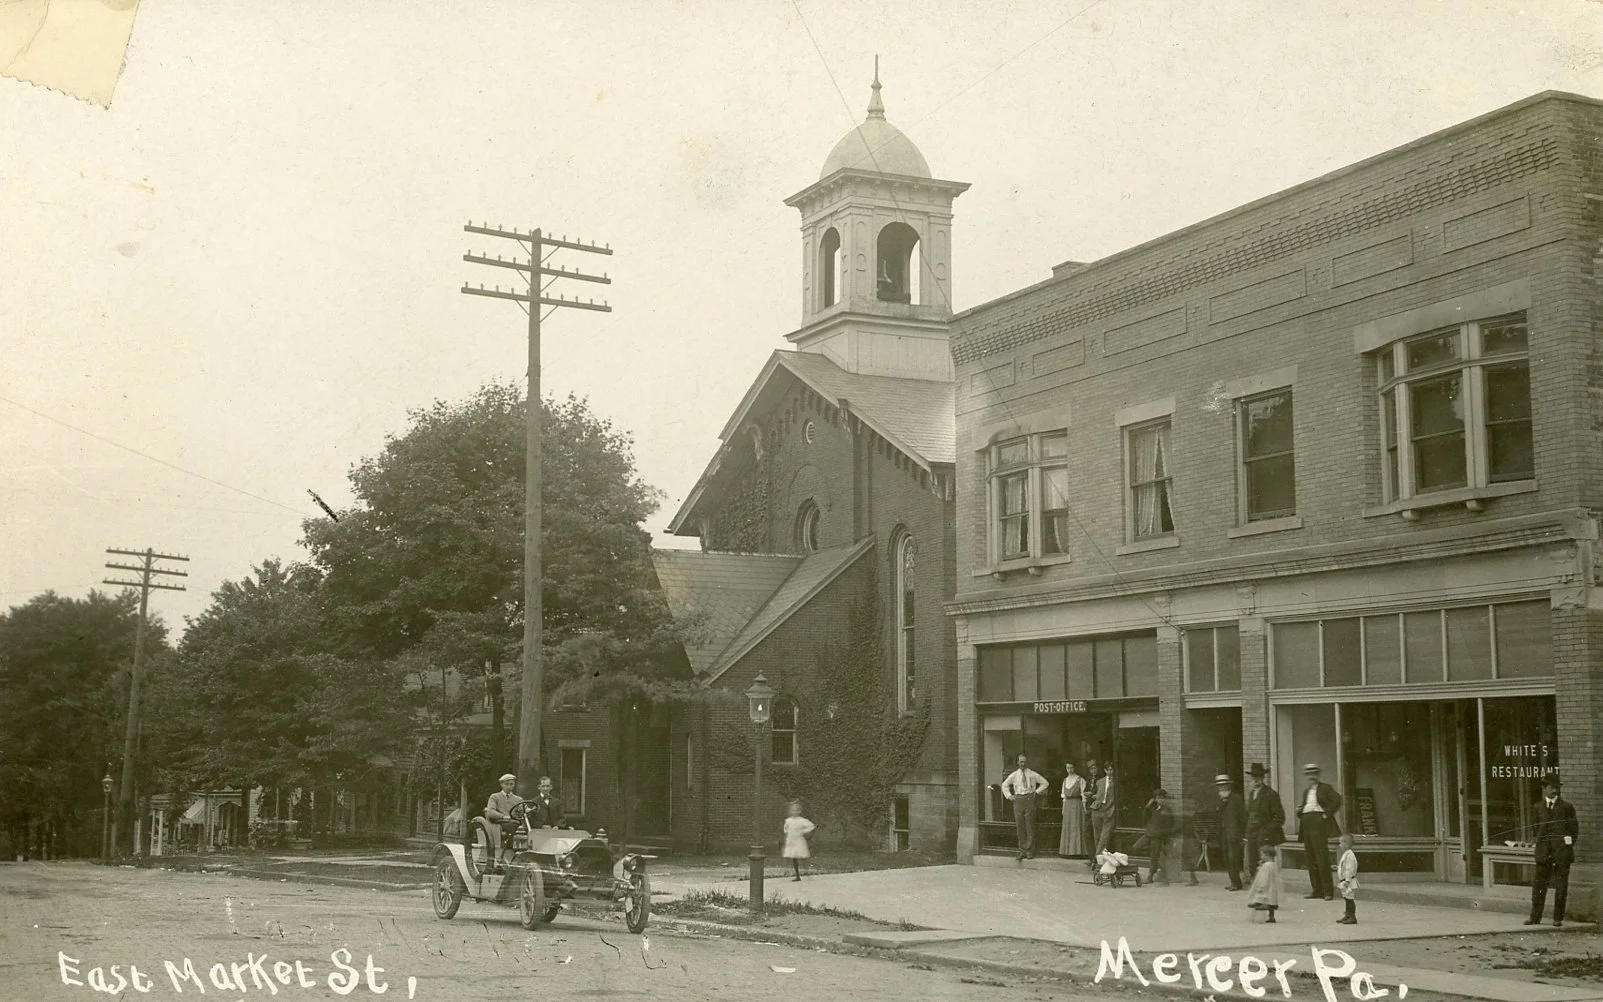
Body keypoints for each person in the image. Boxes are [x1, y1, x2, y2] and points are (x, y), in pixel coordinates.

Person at [1526, 773, 1578, 927]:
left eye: (1556, 788)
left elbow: (1573, 830)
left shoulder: (1567, 807)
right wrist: (1541, 846)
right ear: (1544, 788)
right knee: (1539, 886)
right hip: (1543, 853)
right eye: (1551, 787)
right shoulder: (1537, 807)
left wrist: (1565, 846)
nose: (1554, 790)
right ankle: (1535, 917)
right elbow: (1535, 829)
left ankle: (1557, 918)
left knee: (1561, 886)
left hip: (1561, 853)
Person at [1297, 763, 1343, 900]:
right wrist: (1300, 810)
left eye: (1314, 774)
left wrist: (1326, 814)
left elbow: (1337, 800)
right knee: (1311, 859)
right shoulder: (1306, 792)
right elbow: (1306, 808)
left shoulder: (1325, 788)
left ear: (1318, 775)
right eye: (1309, 774)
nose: (1311, 777)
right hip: (1306, 823)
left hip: (1318, 822)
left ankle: (1328, 891)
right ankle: (1316, 890)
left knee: (1321, 857)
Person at [1001, 754, 1049, 861]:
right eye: (1021, 762)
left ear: (1027, 762)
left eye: (1024, 762)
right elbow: (1004, 785)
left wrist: (1036, 792)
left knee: (1029, 825)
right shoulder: (1014, 775)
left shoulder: (1031, 774)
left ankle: (1030, 851)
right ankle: (1022, 851)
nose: (1023, 764)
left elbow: (1045, 783)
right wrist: (1009, 796)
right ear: (1017, 763)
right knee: (1020, 826)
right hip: (1018, 800)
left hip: (1029, 799)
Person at [1244, 763, 1284, 873]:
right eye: (1254, 777)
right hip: (1252, 834)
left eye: (1259, 777)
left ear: (1263, 778)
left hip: (1265, 835)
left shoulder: (1271, 794)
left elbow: (1280, 817)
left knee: (1265, 864)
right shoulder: (1252, 794)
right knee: (1253, 863)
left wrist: (1266, 830)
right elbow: (1249, 814)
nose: (1256, 780)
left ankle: (1267, 887)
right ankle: (1256, 886)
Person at [1216, 773, 1247, 891]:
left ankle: (1236, 882)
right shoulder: (1220, 800)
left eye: (1224, 785)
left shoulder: (1236, 798)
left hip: (1234, 834)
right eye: (1219, 786)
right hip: (1224, 834)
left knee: (1233, 858)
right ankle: (1232, 881)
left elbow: (1243, 817)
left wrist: (1242, 834)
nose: (1221, 788)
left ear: (1229, 786)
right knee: (1227, 859)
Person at [483, 773, 523, 864]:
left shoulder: (518, 799)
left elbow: (522, 810)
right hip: (499, 823)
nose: (509, 786)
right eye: (507, 784)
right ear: (502, 785)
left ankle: (519, 853)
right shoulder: (495, 797)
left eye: (511, 784)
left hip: (514, 824)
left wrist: (527, 810)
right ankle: (505, 854)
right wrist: (504, 816)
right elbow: (490, 812)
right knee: (513, 826)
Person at [1141, 788, 1176, 884]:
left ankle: (1150, 876)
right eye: (1158, 798)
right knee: (1137, 846)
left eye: (1162, 798)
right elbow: (1144, 818)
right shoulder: (1153, 808)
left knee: (1154, 856)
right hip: (1149, 834)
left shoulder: (1167, 810)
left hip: (1158, 836)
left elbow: (1170, 824)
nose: (1160, 800)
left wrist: (1163, 835)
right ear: (1155, 799)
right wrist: (1147, 806)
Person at [781, 800, 816, 881]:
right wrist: (787, 832)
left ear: (799, 811)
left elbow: (811, 826)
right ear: (790, 811)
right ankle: (797, 875)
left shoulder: (802, 820)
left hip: (799, 840)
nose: (795, 812)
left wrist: (803, 832)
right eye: (793, 810)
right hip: (791, 840)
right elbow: (785, 828)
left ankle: (807, 873)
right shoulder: (788, 820)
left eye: (797, 810)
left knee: (802, 856)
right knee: (793, 857)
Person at [1059, 763, 1087, 858]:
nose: (1069, 770)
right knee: (1068, 827)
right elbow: (1064, 797)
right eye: (1067, 768)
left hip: (1077, 805)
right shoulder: (1065, 780)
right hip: (1067, 806)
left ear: (1075, 768)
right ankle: (1067, 852)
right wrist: (1063, 809)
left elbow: (1084, 795)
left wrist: (1084, 807)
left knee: (1076, 827)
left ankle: (1078, 852)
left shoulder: (1080, 780)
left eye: (1071, 768)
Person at [1089, 763, 1118, 856]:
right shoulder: (1099, 782)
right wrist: (1093, 796)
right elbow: (1094, 794)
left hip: (1109, 810)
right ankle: (1100, 858)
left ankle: (1097, 857)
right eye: (1108, 770)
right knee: (1097, 835)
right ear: (1105, 770)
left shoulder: (1116, 782)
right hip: (1097, 809)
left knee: (1104, 836)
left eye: (1111, 770)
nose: (1109, 772)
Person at [1336, 834, 1359, 924]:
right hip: (1345, 881)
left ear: (1346, 844)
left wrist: (1347, 880)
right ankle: (1348, 915)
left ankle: (1352, 916)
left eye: (1341, 843)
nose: (1340, 845)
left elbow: (1350, 868)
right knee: (1346, 898)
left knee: (1349, 899)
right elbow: (1344, 866)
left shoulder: (1350, 855)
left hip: (1348, 881)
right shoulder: (1346, 854)